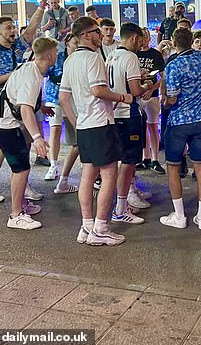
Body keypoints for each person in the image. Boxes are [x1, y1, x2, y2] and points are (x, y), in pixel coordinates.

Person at [59, 16, 133, 246]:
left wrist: (77, 121)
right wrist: (123, 97)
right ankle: (101, 227)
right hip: (100, 124)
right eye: (96, 31)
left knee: (88, 175)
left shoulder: (70, 60)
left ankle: (87, 225)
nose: (101, 35)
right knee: (109, 174)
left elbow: (63, 97)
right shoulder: (93, 58)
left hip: (85, 126)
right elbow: (99, 90)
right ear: (85, 35)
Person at [0, 0, 48, 204]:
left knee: (24, 146)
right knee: (2, 147)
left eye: (13, 27)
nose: (12, 30)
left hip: (24, 105)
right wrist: (13, 75)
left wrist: (42, 6)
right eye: (7, 28)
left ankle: (23, 184)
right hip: (5, 110)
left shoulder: (18, 46)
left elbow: (33, 27)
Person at [0, 37, 59, 230]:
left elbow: (19, 96)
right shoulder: (32, 74)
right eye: (56, 53)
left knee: (20, 167)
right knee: (21, 169)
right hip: (6, 125)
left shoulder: (30, 68)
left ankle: (21, 206)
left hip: (6, 124)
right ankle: (16, 215)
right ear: (50, 55)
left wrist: (41, 107)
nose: (57, 56)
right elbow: (25, 108)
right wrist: (37, 138)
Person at [160, 27, 201, 230]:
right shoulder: (200, 58)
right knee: (200, 166)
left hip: (179, 122)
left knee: (172, 166)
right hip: (200, 119)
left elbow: (171, 98)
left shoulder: (174, 65)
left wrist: (164, 101)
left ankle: (179, 216)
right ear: (191, 41)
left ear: (173, 42)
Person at [106, 22, 151, 225]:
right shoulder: (130, 57)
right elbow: (135, 91)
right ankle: (121, 208)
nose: (140, 44)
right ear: (133, 38)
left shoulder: (112, 55)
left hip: (114, 113)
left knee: (122, 161)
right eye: (140, 40)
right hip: (128, 113)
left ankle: (123, 202)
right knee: (129, 161)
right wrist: (146, 84)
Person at [42, 32, 79, 186]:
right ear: (68, 43)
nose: (77, 45)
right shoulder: (58, 58)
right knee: (55, 130)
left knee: (76, 134)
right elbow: (45, 74)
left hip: (73, 100)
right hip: (54, 96)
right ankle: (53, 165)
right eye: (75, 42)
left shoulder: (79, 59)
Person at [136, 27, 166, 174]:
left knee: (152, 126)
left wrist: (151, 89)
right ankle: (144, 157)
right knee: (140, 128)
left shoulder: (155, 54)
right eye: (142, 36)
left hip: (151, 95)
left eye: (146, 36)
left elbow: (162, 76)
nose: (144, 39)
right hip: (137, 96)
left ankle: (155, 159)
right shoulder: (133, 54)